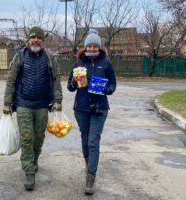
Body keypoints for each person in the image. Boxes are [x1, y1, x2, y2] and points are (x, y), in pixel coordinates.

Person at [3, 26, 63, 191]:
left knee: (38, 136)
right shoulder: (20, 56)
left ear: (43, 41)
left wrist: (58, 100)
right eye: (33, 38)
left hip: (42, 105)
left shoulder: (49, 57)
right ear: (28, 41)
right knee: (27, 137)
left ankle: (35, 158)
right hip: (23, 104)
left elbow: (56, 79)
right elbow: (11, 80)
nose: (36, 40)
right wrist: (7, 103)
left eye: (39, 38)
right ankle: (29, 171)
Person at [67, 29, 116, 195]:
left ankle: (90, 177)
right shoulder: (78, 63)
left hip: (100, 108)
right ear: (86, 47)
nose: (93, 49)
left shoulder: (106, 63)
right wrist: (75, 82)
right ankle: (88, 163)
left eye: (96, 46)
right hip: (81, 108)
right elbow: (69, 87)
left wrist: (106, 90)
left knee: (94, 141)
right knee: (86, 140)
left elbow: (113, 84)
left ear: (99, 48)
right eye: (90, 46)